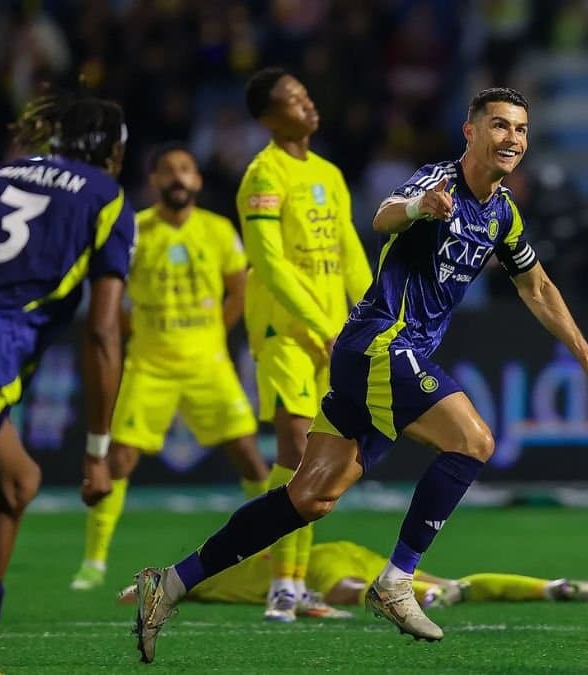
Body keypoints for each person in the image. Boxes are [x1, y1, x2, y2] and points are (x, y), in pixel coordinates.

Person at [131, 86, 588, 663]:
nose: (511, 139)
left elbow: (537, 287)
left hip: (388, 357)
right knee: (473, 441)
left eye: (520, 129)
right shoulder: (436, 180)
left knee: (309, 497)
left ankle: (169, 583)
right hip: (380, 344)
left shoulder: (503, 213)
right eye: (498, 126)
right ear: (470, 132)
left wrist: (587, 357)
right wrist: (423, 208)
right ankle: (397, 582)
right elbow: (384, 215)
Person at [0, 91, 136, 675]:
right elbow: (101, 333)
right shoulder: (106, 200)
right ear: (112, 151)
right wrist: (97, 452)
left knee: (16, 483)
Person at [69, 144, 269, 592]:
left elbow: (239, 289)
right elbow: (113, 298)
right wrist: (136, 330)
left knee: (248, 451)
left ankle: (268, 548)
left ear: (197, 180)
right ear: (154, 181)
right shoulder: (135, 230)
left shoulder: (218, 230)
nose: (177, 177)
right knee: (118, 459)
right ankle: (94, 560)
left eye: (185, 170)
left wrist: (213, 331)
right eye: (167, 171)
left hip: (207, 362)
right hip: (150, 364)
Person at [236, 68, 374, 622]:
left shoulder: (330, 174)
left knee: (320, 462)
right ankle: (283, 586)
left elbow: (349, 255)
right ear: (269, 117)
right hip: (286, 333)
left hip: (334, 335)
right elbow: (268, 262)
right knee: (294, 451)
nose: (307, 104)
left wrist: (376, 319)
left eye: (307, 94)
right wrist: (321, 324)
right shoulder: (262, 176)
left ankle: (293, 585)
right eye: (293, 100)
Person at [116, 539, 588, 610]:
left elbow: (169, 577)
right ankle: (552, 587)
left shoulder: (205, 576)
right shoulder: (217, 557)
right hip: (341, 548)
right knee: (446, 583)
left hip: (319, 565)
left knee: (351, 590)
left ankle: (427, 600)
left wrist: (144, 588)